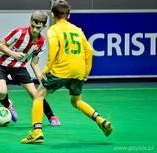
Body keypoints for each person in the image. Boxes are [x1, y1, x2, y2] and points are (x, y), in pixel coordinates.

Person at [21, 0, 113, 144]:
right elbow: (89, 50)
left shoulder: (53, 29)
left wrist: (47, 69)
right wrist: (86, 71)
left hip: (61, 69)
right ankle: (101, 120)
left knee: (38, 96)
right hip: (79, 70)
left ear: (52, 15)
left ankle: (37, 132)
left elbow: (53, 49)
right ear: (68, 15)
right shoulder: (77, 29)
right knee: (77, 101)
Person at [0, 10, 60, 126]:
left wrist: (40, 78)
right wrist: (13, 54)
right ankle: (8, 105)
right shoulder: (19, 32)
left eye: (38, 28)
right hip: (1, 63)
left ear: (43, 27)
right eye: (33, 26)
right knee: (1, 91)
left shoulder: (42, 43)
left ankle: (51, 116)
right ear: (30, 22)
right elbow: (0, 45)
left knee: (35, 94)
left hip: (19, 67)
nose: (35, 30)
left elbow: (34, 63)